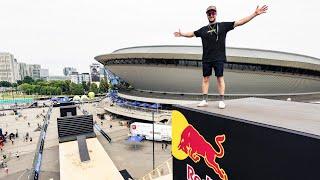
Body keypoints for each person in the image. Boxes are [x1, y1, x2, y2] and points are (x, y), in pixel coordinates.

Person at [174, 5, 268, 109]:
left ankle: (221, 100)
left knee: (220, 78)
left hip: (218, 57)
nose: (211, 15)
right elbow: (191, 34)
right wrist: (182, 34)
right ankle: (204, 100)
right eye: (209, 13)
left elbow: (239, 22)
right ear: (207, 15)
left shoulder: (223, 26)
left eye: (213, 13)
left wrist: (254, 14)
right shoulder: (203, 29)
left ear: (216, 14)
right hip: (206, 58)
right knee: (205, 78)